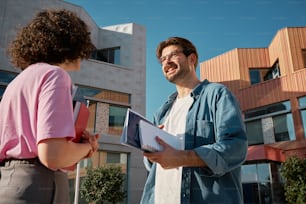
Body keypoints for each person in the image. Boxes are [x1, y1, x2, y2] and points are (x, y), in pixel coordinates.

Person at [0, 9, 99, 203]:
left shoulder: (17, 82)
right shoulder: (56, 75)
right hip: (39, 184)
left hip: (9, 181)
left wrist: (74, 147)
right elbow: (53, 156)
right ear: (71, 42)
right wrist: (88, 147)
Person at [141, 37, 248, 204]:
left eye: (173, 55)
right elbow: (152, 167)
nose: (166, 62)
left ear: (192, 59)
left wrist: (181, 157)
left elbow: (236, 147)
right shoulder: (162, 112)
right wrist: (151, 153)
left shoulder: (217, 95)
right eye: (162, 59)